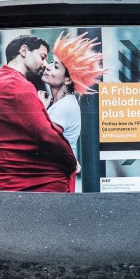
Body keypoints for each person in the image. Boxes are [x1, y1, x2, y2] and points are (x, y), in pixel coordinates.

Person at [0, 35, 77, 192]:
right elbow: (46, 135)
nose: (45, 64)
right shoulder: (18, 84)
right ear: (24, 51)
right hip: (14, 181)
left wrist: (39, 108)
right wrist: (72, 161)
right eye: (42, 57)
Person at [39, 32, 106, 192]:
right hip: (53, 177)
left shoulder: (65, 107)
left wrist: (40, 109)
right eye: (51, 62)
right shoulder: (58, 102)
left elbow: (44, 140)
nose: (47, 66)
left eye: (55, 66)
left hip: (56, 180)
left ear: (68, 79)